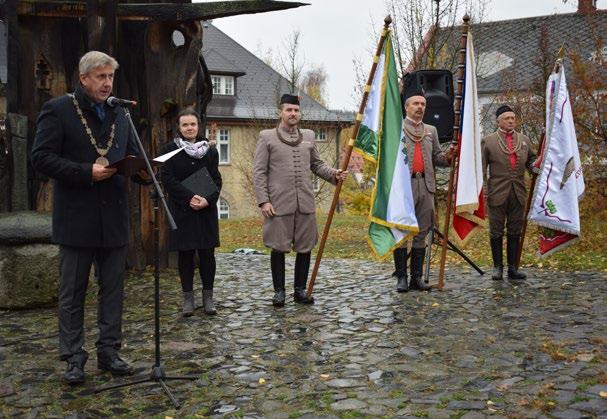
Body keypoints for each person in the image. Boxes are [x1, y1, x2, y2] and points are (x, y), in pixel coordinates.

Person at [31, 51, 144, 384]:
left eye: (110, 77)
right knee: (73, 292)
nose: (107, 83)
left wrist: (144, 171)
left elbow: (131, 156)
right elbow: (41, 158)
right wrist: (84, 172)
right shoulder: (58, 110)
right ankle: (74, 357)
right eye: (100, 77)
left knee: (113, 290)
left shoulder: (120, 112)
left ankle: (109, 352)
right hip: (76, 217)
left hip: (114, 218)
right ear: (83, 79)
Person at [253, 94, 347, 307]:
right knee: (278, 247)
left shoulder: (309, 136)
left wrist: (334, 174)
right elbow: (259, 172)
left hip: (304, 201)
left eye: (296, 110)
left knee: (305, 247)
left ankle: (300, 290)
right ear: (280, 112)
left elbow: (317, 164)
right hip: (277, 203)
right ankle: (279, 292)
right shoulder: (266, 137)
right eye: (289, 110)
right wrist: (263, 201)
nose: (293, 114)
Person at [160, 109, 222, 317]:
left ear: (198, 126)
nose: (189, 128)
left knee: (207, 254)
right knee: (185, 254)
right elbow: (168, 179)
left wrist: (207, 200)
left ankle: (208, 298)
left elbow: (216, 179)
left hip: (205, 211)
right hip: (182, 210)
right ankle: (188, 298)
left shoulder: (211, 152)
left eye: (193, 124)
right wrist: (189, 198)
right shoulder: (170, 150)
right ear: (179, 127)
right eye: (185, 125)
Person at [393, 87, 453, 293]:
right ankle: (401, 277)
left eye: (423, 104)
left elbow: (437, 157)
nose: (420, 107)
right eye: (415, 104)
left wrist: (449, 157)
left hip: (425, 185)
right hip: (404, 187)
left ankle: (416, 278)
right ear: (406, 107)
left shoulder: (431, 130)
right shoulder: (396, 128)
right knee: (401, 231)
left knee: (422, 231)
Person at [482, 105, 537, 281]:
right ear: (498, 121)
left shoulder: (525, 140)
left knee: (515, 230)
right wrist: (483, 192)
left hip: (518, 192)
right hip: (496, 192)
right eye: (507, 118)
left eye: (513, 118)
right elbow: (481, 170)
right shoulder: (488, 141)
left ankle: (513, 268)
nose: (511, 121)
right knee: (496, 231)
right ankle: (498, 267)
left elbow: (532, 162)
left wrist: (537, 166)